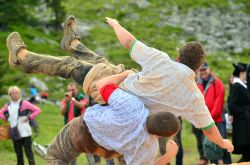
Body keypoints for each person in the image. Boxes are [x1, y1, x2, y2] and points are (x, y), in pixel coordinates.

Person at [6, 16, 234, 153]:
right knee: (104, 64)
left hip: (116, 98)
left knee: (70, 66)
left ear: (177, 57)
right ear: (198, 67)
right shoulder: (195, 97)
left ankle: (21, 58)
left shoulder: (162, 61)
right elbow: (209, 129)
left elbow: (129, 42)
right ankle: (72, 42)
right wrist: (224, 143)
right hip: (126, 91)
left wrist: (115, 24)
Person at [45, 70, 180, 165]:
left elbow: (101, 85)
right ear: (160, 135)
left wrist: (125, 74)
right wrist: (169, 155)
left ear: (155, 113)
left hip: (82, 129)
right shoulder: (149, 147)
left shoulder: (133, 105)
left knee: (55, 156)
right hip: (105, 149)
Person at [196, 62, 232, 164]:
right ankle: (210, 160)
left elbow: (219, 102)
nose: (203, 72)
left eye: (204, 69)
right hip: (202, 119)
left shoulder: (217, 82)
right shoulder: (196, 83)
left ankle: (227, 161)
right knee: (205, 142)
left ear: (208, 69)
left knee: (222, 140)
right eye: (201, 70)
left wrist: (209, 118)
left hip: (217, 119)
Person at [0, 86, 41, 165]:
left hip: (26, 133)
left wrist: (29, 117)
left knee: (29, 154)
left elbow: (37, 110)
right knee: (19, 154)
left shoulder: (24, 103)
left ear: (19, 94)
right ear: (10, 95)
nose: (15, 95)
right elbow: (0, 112)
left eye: (17, 93)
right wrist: (5, 118)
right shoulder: (8, 105)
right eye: (13, 93)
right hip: (14, 133)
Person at [228, 63, 250, 162]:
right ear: (242, 72)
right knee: (246, 149)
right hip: (242, 122)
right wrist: (244, 112)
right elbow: (232, 105)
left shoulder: (242, 84)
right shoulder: (236, 85)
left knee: (247, 151)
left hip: (245, 122)